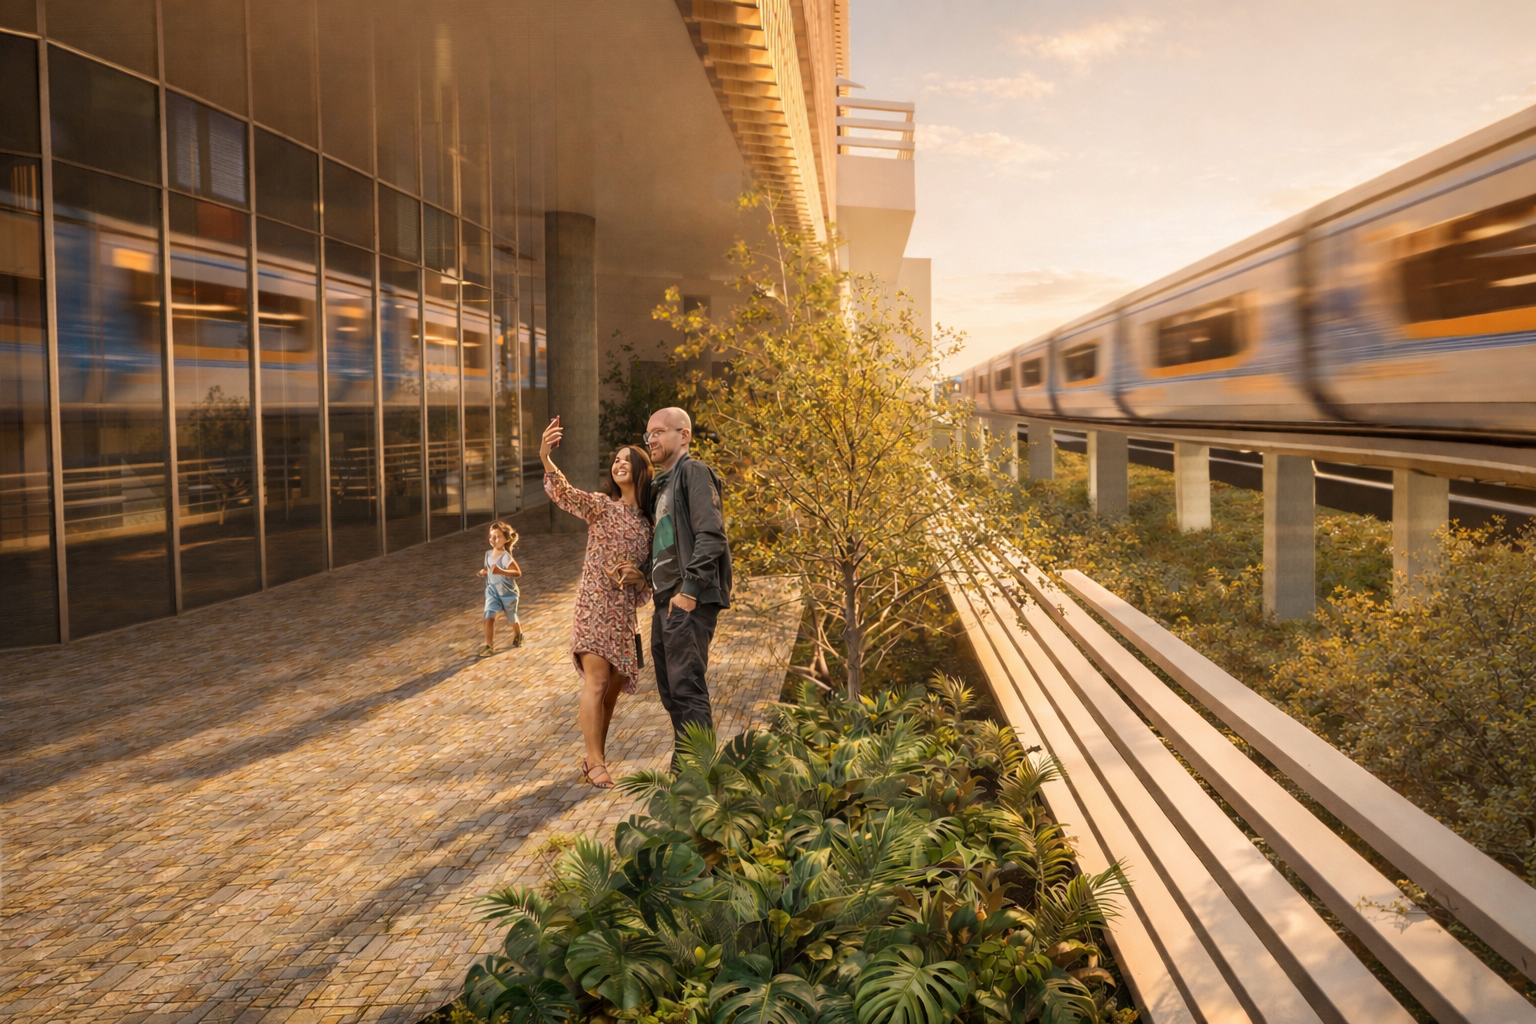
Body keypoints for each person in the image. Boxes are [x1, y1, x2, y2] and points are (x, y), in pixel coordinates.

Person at [540, 416, 653, 789]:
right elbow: (565, 493)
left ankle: (593, 758)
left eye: (627, 460)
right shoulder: (602, 506)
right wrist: (546, 457)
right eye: (616, 460)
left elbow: (648, 583)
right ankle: (596, 761)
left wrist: (640, 577)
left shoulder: (649, 524)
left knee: (612, 689)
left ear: (641, 471)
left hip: (624, 618)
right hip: (592, 607)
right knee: (598, 679)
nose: (619, 463)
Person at [644, 406, 732, 766]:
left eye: (659, 431)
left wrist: (689, 591)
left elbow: (712, 536)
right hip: (665, 599)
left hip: (685, 598)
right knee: (671, 692)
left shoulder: (692, 472)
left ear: (684, 436)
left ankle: (698, 779)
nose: (651, 439)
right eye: (648, 434)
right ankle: (687, 774)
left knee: (687, 689)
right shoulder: (661, 486)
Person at [477, 521, 523, 656]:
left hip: (508, 594)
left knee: (511, 619)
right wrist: (484, 572)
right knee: (489, 616)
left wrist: (502, 571)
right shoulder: (487, 554)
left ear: (506, 539)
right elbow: (489, 569)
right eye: (491, 536)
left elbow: (517, 573)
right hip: (492, 591)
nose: (493, 539)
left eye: (497, 537)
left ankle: (518, 633)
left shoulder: (505, 557)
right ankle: (489, 645)